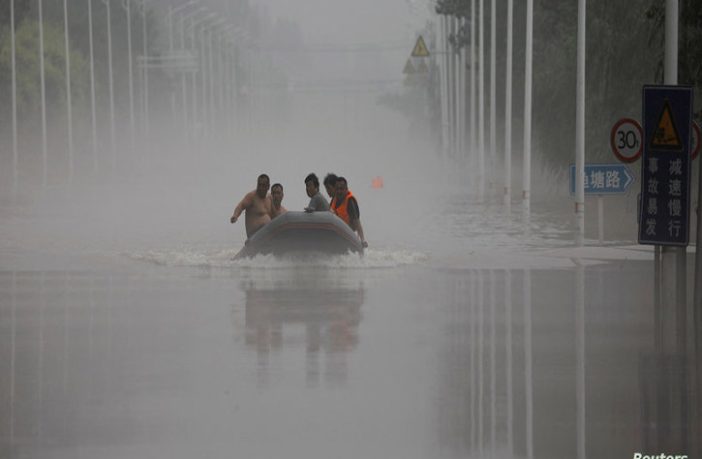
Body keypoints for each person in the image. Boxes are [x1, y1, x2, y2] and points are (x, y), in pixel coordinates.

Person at [332, 177, 368, 248]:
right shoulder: (334, 199)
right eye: (337, 189)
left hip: (349, 234)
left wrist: (362, 240)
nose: (339, 191)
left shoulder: (350, 201)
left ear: (346, 189)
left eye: (341, 189)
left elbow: (357, 221)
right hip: (337, 233)